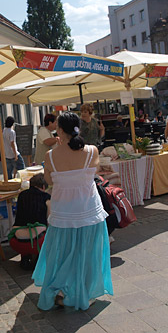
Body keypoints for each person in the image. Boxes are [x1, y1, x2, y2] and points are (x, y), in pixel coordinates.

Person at [32, 111, 113, 311]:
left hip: (63, 211)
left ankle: (62, 289)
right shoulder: (92, 151)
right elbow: (93, 171)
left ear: (59, 130)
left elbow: (49, 182)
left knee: (62, 253)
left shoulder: (51, 156)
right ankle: (86, 291)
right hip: (88, 209)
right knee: (89, 253)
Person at [8, 173, 51, 271]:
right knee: (48, 233)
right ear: (44, 187)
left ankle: (25, 258)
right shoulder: (46, 198)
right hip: (38, 242)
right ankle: (39, 259)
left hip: (15, 241)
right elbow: (50, 221)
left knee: (25, 229)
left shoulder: (21, 195)